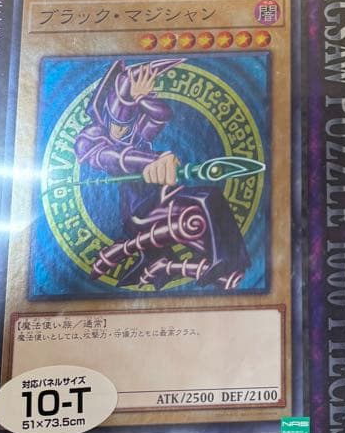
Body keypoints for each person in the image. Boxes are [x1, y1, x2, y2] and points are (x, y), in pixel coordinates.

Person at [74, 58, 250, 290]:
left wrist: (141, 98)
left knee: (209, 200)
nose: (121, 132)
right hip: (139, 210)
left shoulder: (136, 134)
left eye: (126, 126)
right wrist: (150, 161)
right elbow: (111, 157)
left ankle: (227, 260)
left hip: (161, 197)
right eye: (117, 125)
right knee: (204, 201)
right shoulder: (94, 140)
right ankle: (220, 261)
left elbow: (162, 115)